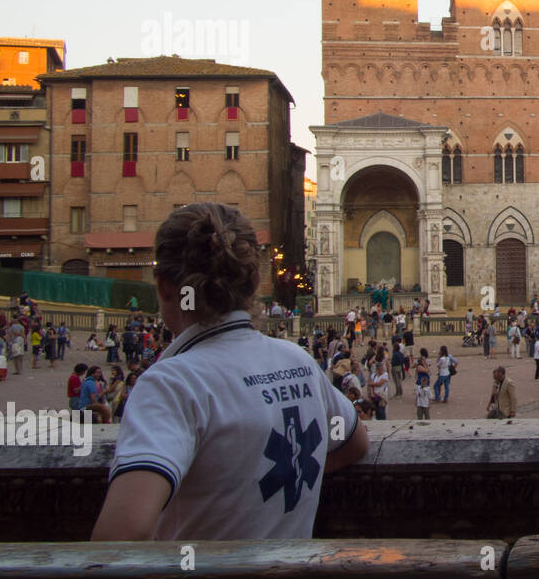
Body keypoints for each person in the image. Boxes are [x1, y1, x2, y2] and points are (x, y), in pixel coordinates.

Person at [92, 202, 369, 540]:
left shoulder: (172, 384)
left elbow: (120, 539)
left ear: (165, 286)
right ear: (253, 281)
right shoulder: (297, 362)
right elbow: (354, 443)